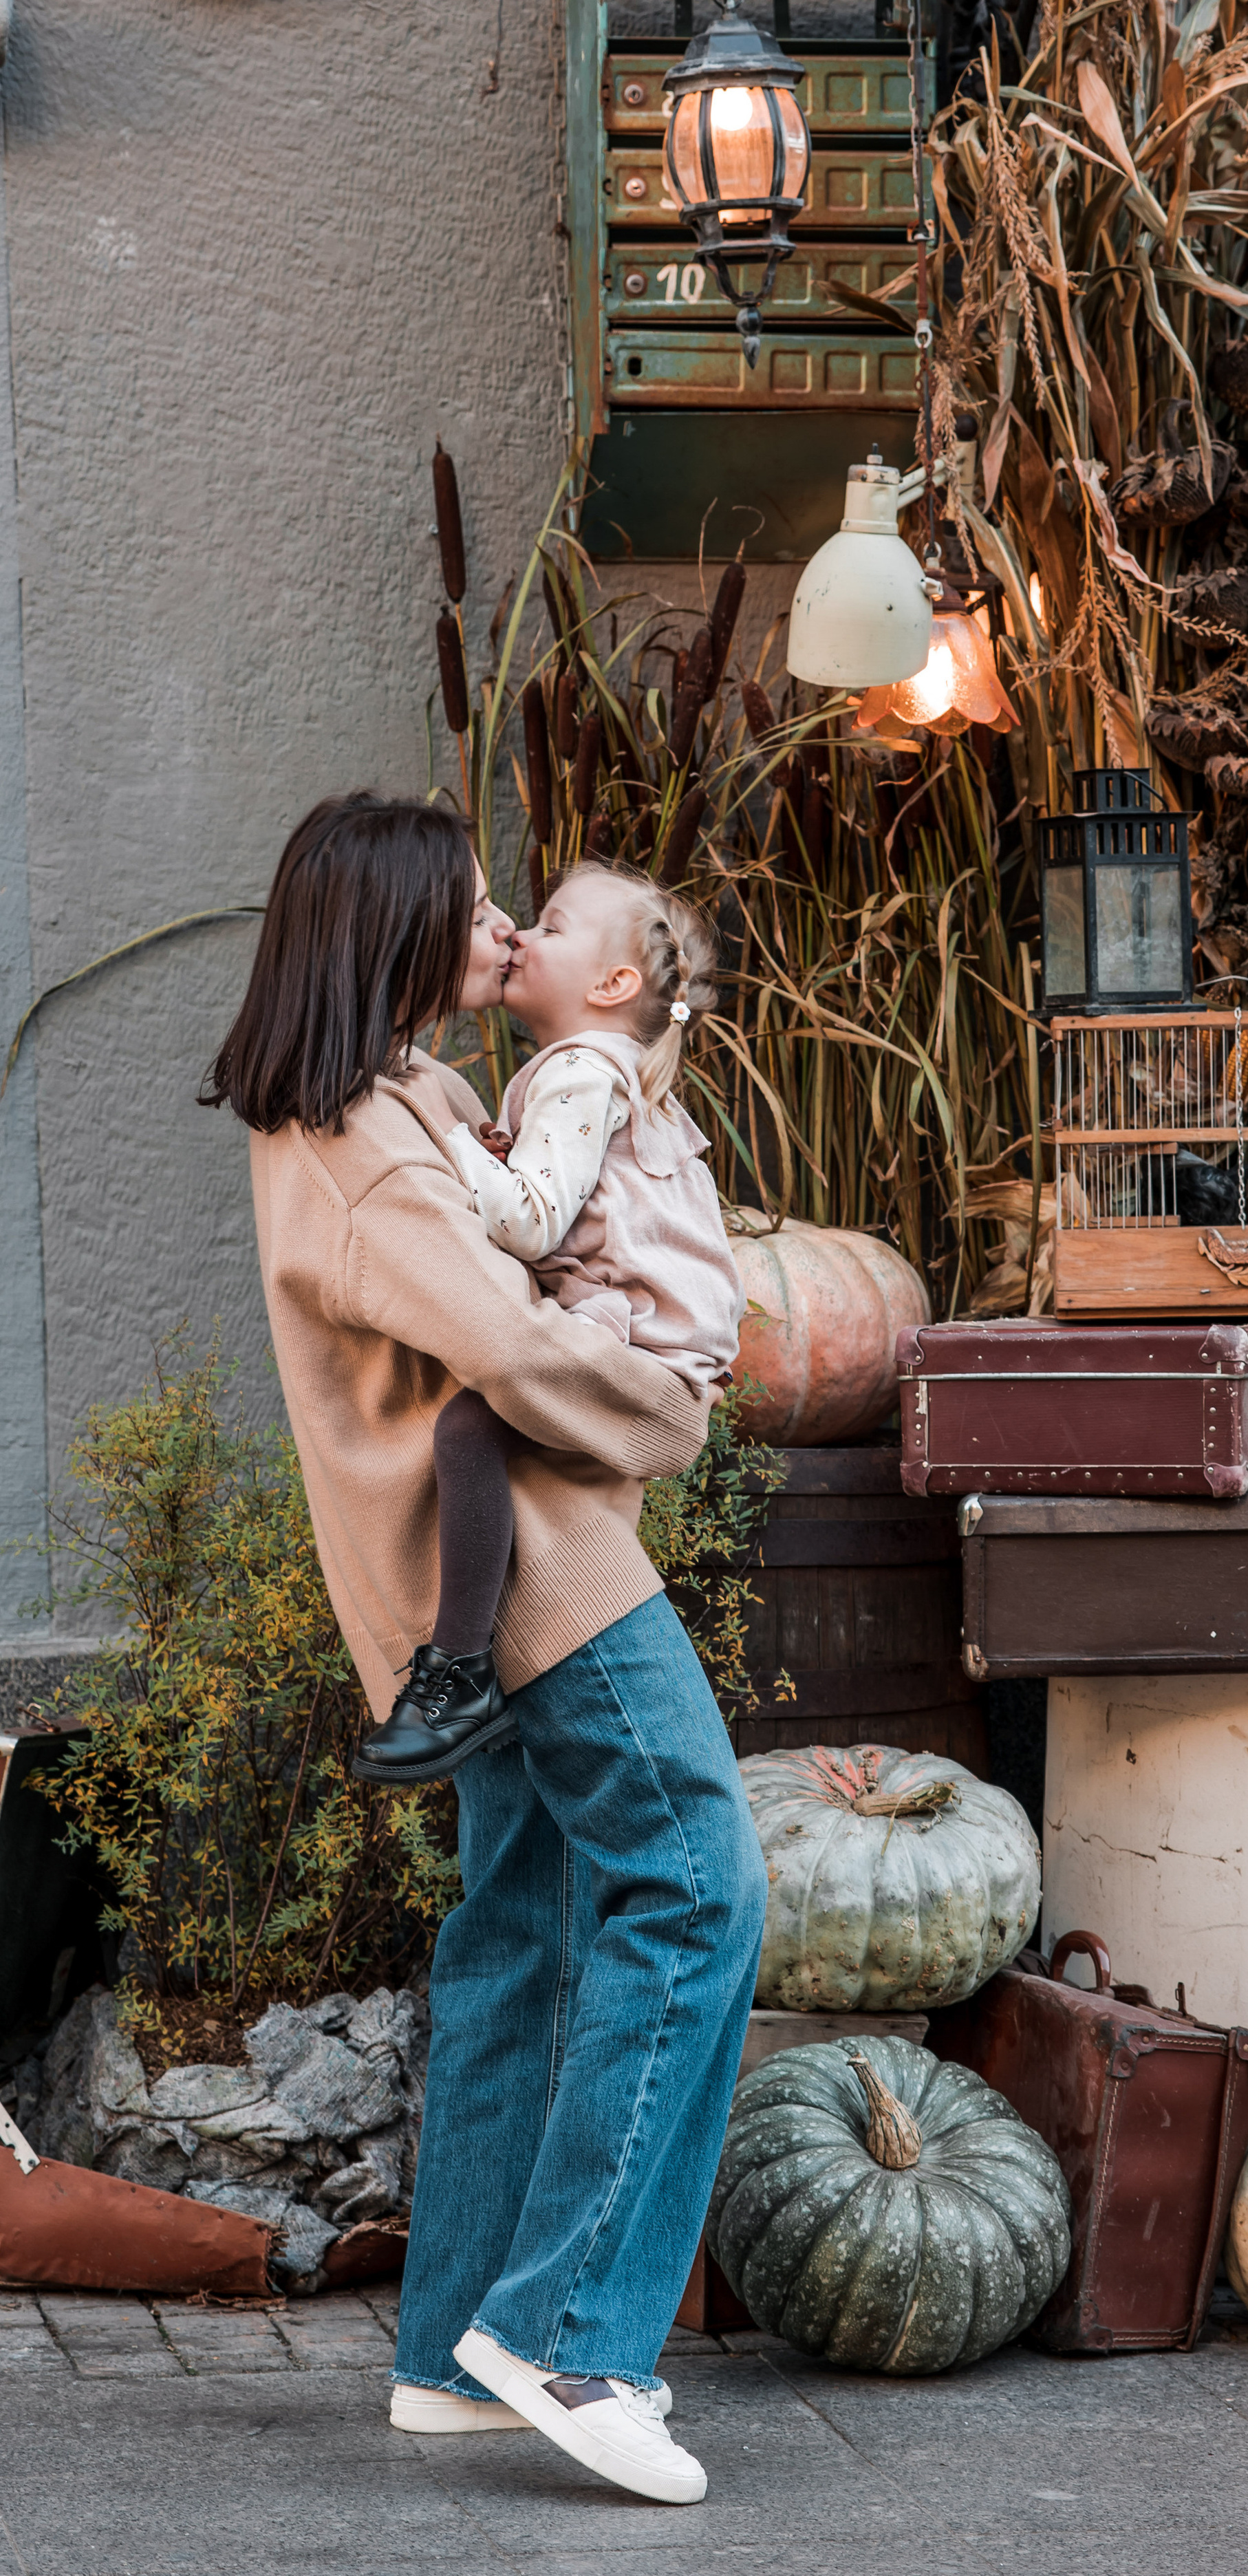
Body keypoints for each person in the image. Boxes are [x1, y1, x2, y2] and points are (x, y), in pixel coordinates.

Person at [204, 793, 767, 2507]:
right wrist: (673, 1414)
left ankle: (456, 2348)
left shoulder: (389, 1100)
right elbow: (512, 1347)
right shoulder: (359, 1145)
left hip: (491, 1567)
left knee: (521, 1924)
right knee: (696, 1886)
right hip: (535, 1570)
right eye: (468, 908)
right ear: (387, 926)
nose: (498, 930)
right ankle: (579, 2331)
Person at [350, 861, 744, 1786]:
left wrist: (439, 1143)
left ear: (613, 986)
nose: (519, 933)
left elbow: (528, 1220)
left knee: (467, 1426)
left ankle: (456, 1676)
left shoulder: (578, 1072)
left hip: (639, 1333)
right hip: (647, 1324)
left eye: (552, 927)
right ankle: (463, 1673)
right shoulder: (590, 1073)